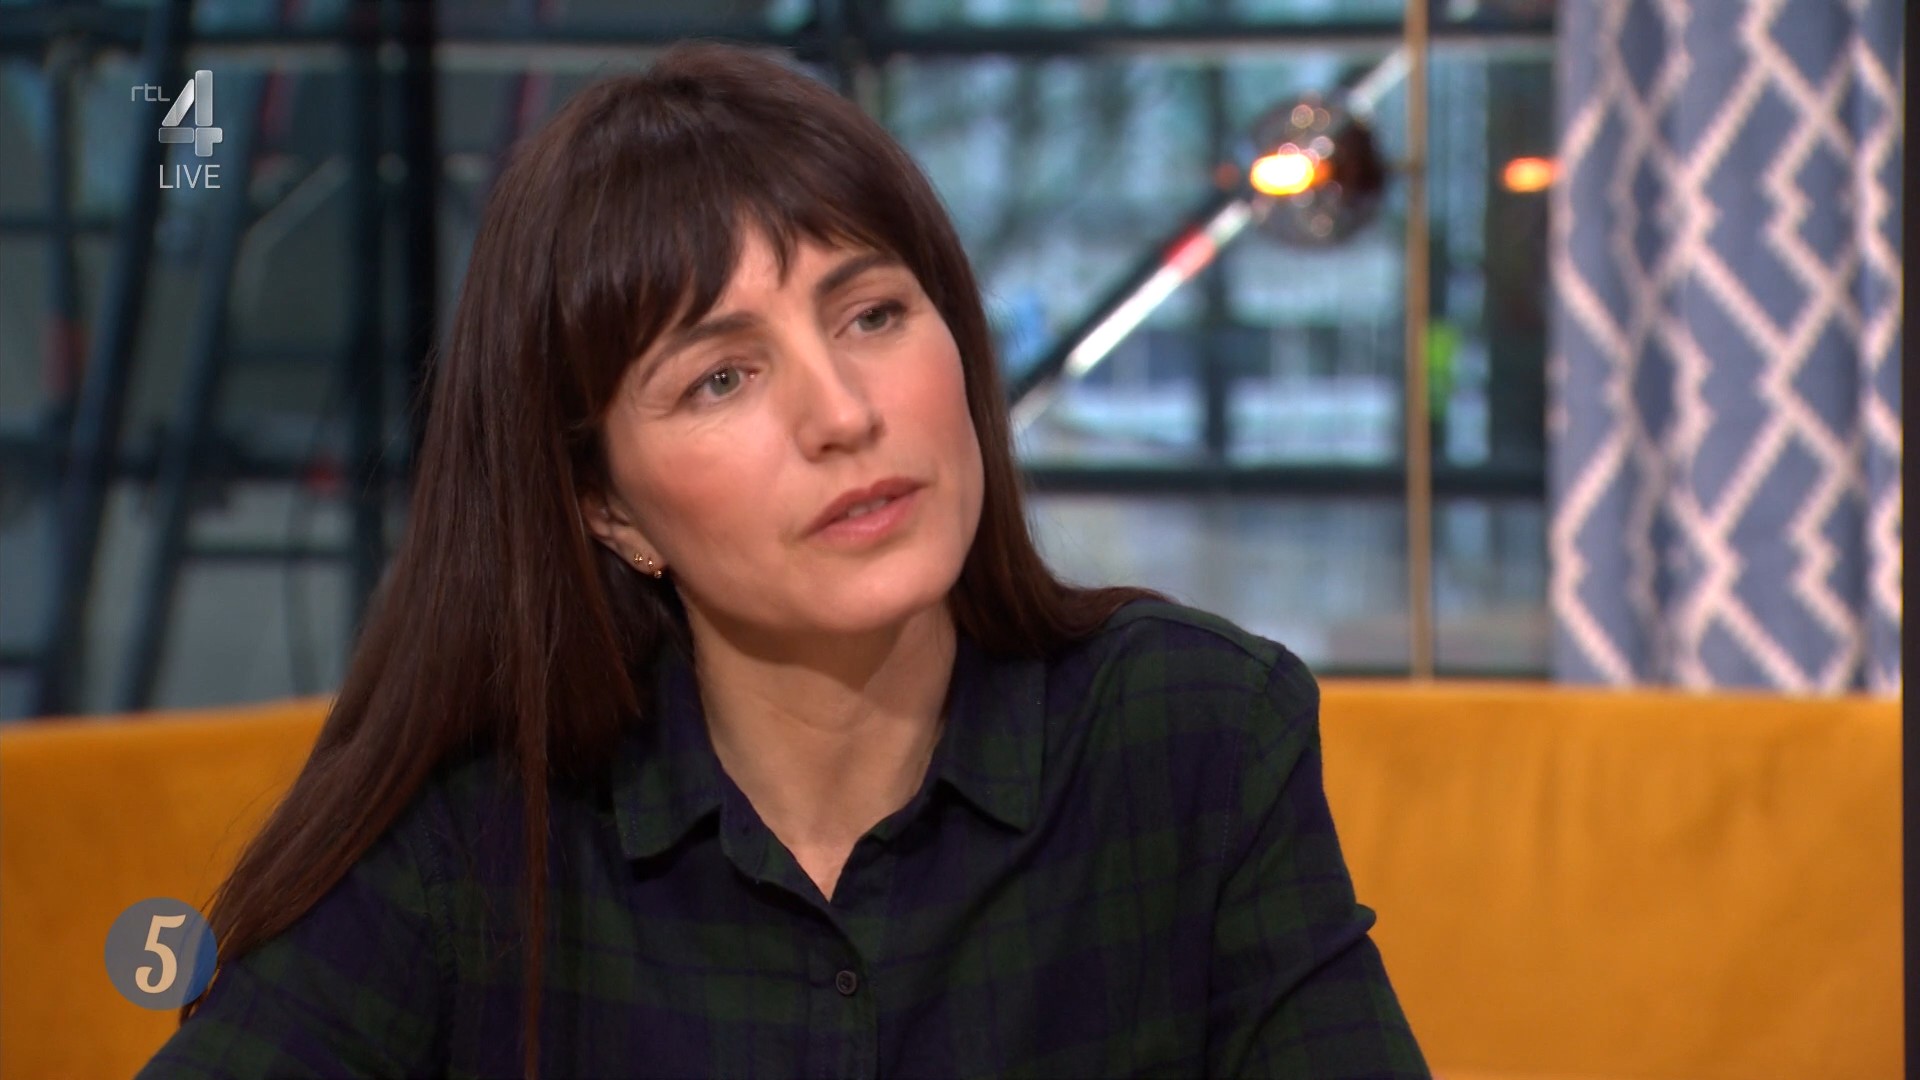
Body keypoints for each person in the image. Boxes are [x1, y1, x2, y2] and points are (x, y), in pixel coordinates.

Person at [137, 41, 1427, 1079]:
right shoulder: (472, 834)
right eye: (722, 377)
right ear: (607, 507)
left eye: (872, 314)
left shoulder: (1194, 733)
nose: (843, 413)